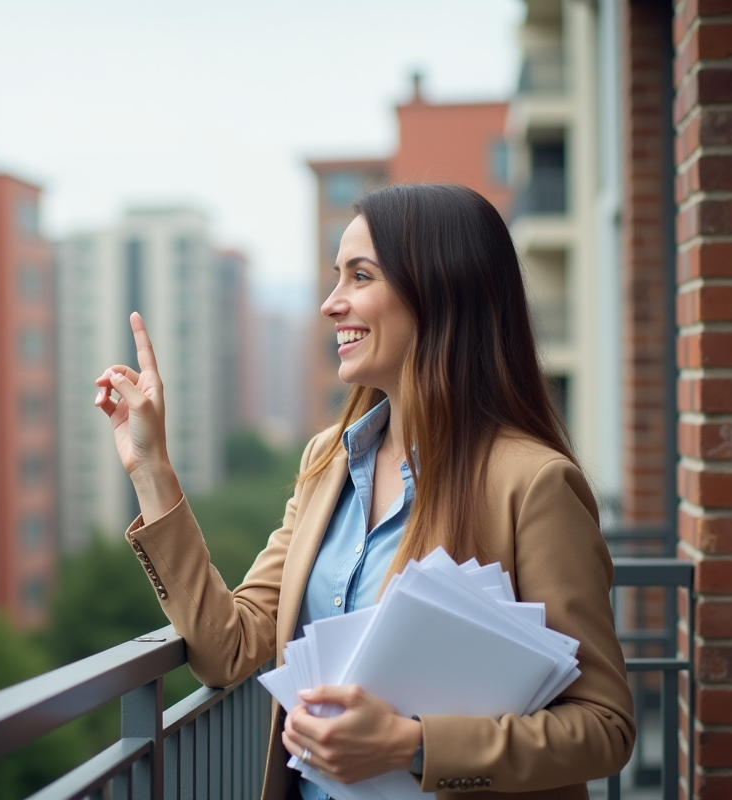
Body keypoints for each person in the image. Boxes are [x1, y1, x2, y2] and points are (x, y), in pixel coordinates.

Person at [93, 183, 635, 799]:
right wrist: (150, 468)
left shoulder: (533, 485)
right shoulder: (328, 463)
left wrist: (414, 745)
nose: (331, 303)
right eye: (335, 277)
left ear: (439, 292)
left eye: (360, 276)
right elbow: (229, 648)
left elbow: (604, 727)